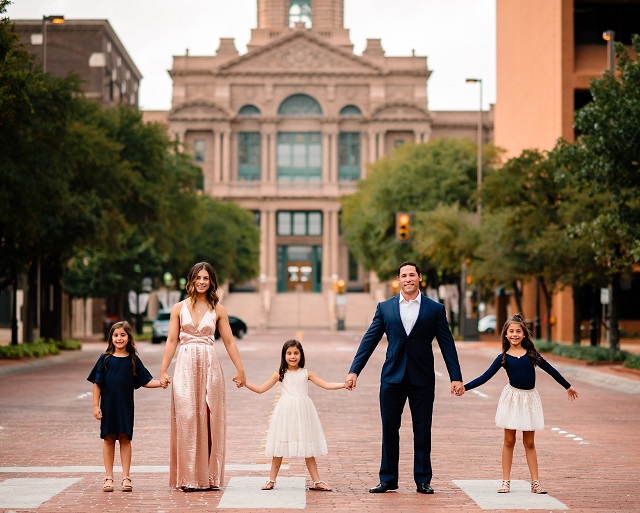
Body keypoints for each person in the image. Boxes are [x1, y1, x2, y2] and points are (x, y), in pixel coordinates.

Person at [345, 261, 464, 495]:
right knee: (389, 428)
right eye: (403, 275)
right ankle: (388, 479)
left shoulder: (435, 309)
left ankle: (423, 480)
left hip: (422, 378)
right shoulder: (385, 308)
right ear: (398, 280)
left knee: (422, 430)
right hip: (392, 378)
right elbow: (368, 341)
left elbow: (447, 344)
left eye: (412, 274)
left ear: (419, 277)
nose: (408, 278)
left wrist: (456, 377)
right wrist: (354, 370)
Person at [463, 313, 579, 494]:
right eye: (511, 331)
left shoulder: (532, 354)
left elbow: (551, 370)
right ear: (506, 335)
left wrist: (568, 386)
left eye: (518, 331)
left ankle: (535, 482)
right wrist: (465, 387)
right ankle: (505, 481)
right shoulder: (503, 357)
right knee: (509, 441)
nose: (515, 334)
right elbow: (484, 377)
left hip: (529, 400)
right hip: (512, 399)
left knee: (529, 443)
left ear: (524, 334)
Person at [159, 262, 246, 491]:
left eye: (206, 278)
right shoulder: (178, 308)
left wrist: (240, 370)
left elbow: (228, 341)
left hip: (210, 365)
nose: (201, 281)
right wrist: (163, 370)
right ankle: (187, 477)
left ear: (211, 281)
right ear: (191, 280)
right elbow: (171, 341)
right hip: (185, 365)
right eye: (198, 277)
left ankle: (209, 478)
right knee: (187, 418)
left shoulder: (218, 309)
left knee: (210, 420)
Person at [243, 339, 345, 491]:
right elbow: (260, 389)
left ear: (301, 355)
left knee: (307, 447)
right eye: (289, 353)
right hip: (285, 414)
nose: (292, 356)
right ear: (284, 356)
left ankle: (317, 482)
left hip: (303, 413)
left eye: (296, 353)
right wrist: (244, 382)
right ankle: (271, 480)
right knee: (280, 446)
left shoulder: (306, 373)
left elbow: (326, 384)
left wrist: (344, 384)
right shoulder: (280, 374)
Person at [88, 320, 166, 493]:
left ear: (129, 337)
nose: (119, 338)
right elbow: (97, 384)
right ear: (111, 338)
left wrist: (161, 383)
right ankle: (108, 477)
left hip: (125, 407)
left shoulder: (133, 360)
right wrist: (95, 406)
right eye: (116, 335)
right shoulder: (105, 359)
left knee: (125, 438)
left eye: (123, 335)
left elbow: (145, 381)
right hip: (108, 407)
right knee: (108, 439)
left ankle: (126, 476)